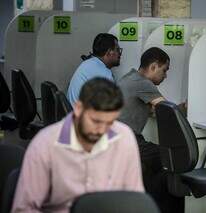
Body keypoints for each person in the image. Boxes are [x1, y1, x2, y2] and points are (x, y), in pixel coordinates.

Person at [12, 78, 144, 213]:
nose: (101, 130)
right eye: (95, 121)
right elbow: (23, 209)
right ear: (79, 108)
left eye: (109, 122)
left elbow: (134, 200)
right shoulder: (45, 144)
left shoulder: (124, 138)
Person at [118, 47, 184, 213]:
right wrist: (188, 106)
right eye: (164, 70)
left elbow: (156, 109)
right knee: (172, 159)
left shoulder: (129, 78)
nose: (166, 75)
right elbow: (168, 111)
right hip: (127, 141)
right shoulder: (142, 83)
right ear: (154, 66)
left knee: (154, 165)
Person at [67, 33, 122, 106]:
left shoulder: (88, 63)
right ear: (109, 52)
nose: (120, 54)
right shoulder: (104, 74)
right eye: (117, 50)